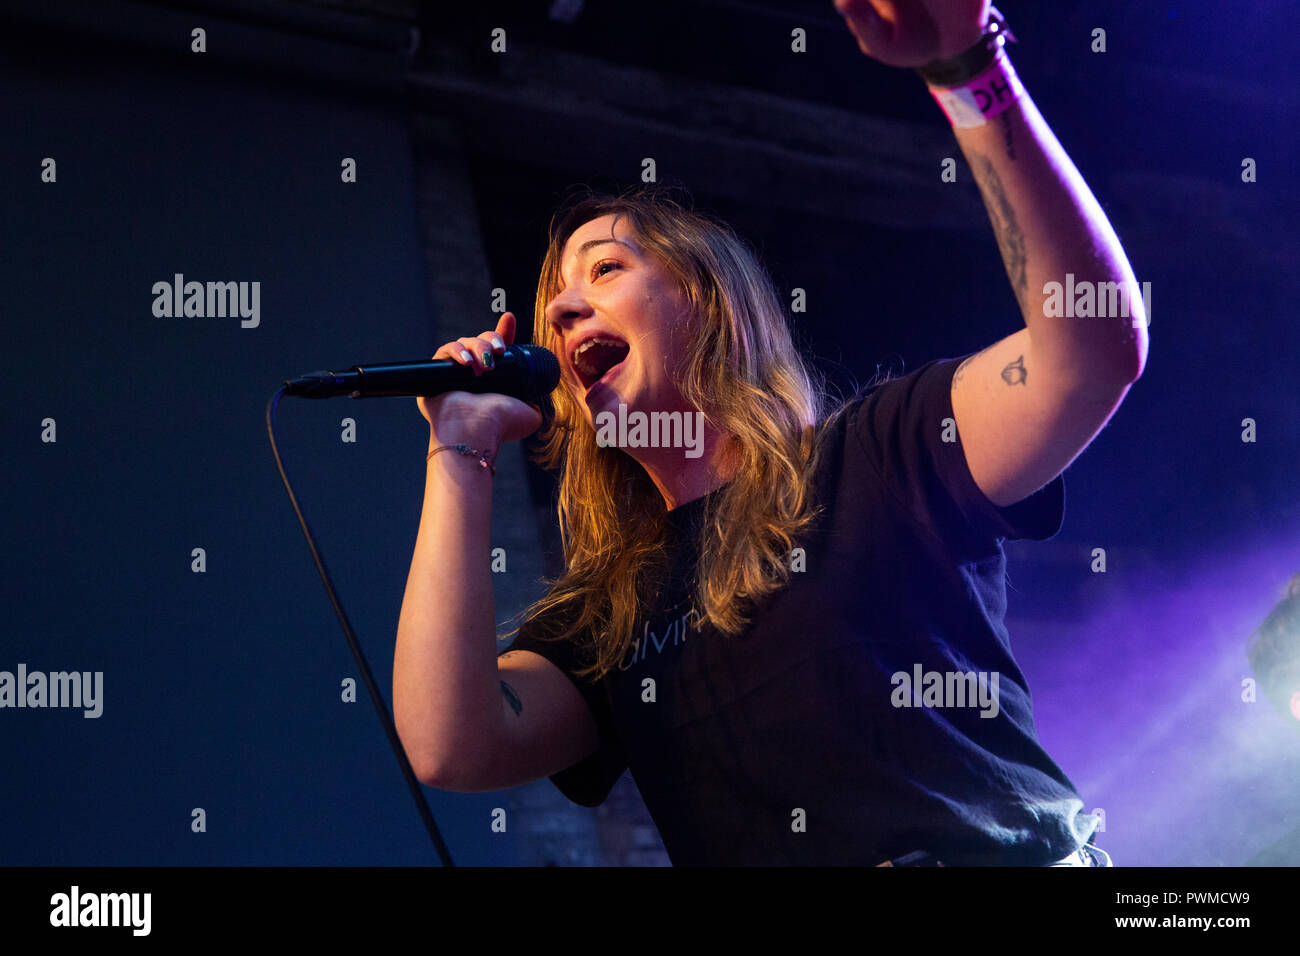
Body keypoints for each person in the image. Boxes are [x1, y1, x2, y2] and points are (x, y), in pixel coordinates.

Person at [393, 0, 1147, 866]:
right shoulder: (609, 612)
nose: (560, 309)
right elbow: (452, 745)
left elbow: (1088, 353)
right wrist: (459, 450)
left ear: (712, 304)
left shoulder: (879, 452)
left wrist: (969, 70)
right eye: (554, 299)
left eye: (605, 269)